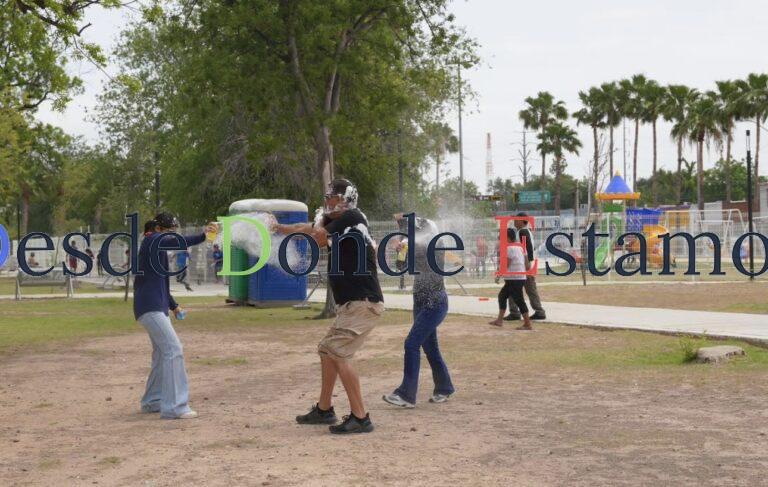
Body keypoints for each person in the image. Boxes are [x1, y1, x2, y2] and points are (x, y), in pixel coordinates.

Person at [275, 178, 384, 434]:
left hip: (363, 302)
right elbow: (309, 229)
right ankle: (324, 410)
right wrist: (280, 228)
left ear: (346, 200)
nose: (328, 202)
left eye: (333, 198)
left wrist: (320, 220)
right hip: (350, 304)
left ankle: (361, 417)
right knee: (327, 351)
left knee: (337, 352)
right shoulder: (337, 223)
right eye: (328, 198)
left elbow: (319, 237)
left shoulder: (354, 216)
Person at [133, 211, 216, 420]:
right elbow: (177, 242)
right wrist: (203, 235)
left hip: (155, 306)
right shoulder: (151, 241)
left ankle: (152, 401)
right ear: (158, 229)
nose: (173, 235)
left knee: (162, 354)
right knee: (173, 349)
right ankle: (175, 407)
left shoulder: (157, 248)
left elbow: (160, 283)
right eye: (169, 231)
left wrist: (174, 306)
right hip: (149, 307)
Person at [382, 215, 454, 408]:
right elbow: (400, 267)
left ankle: (406, 394)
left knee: (411, 344)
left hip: (435, 303)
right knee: (430, 348)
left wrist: (406, 244)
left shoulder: (435, 245)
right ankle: (444, 387)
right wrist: (400, 251)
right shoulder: (414, 244)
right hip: (420, 301)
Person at [505, 213, 546, 321]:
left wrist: (526, 264)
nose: (514, 221)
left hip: (524, 265)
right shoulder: (525, 231)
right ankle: (538, 311)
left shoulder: (522, 232)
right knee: (529, 288)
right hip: (526, 264)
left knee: (514, 287)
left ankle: (515, 312)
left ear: (522, 221)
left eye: (516, 220)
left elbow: (526, 248)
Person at [490, 228, 532, 329]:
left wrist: (498, 275)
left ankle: (527, 324)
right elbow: (527, 265)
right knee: (502, 296)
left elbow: (506, 265)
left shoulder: (508, 248)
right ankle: (499, 320)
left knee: (519, 300)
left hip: (514, 278)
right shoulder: (521, 246)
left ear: (507, 238)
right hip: (519, 278)